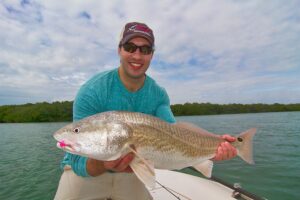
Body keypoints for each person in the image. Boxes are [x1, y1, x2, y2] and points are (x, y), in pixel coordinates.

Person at [54, 22, 237, 200]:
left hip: (131, 172)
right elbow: (76, 162)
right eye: (130, 47)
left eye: (145, 49)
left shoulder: (158, 95)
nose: (137, 55)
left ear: (152, 55)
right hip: (87, 173)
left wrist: (215, 146)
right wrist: (103, 163)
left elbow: (176, 134)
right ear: (120, 50)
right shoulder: (92, 91)